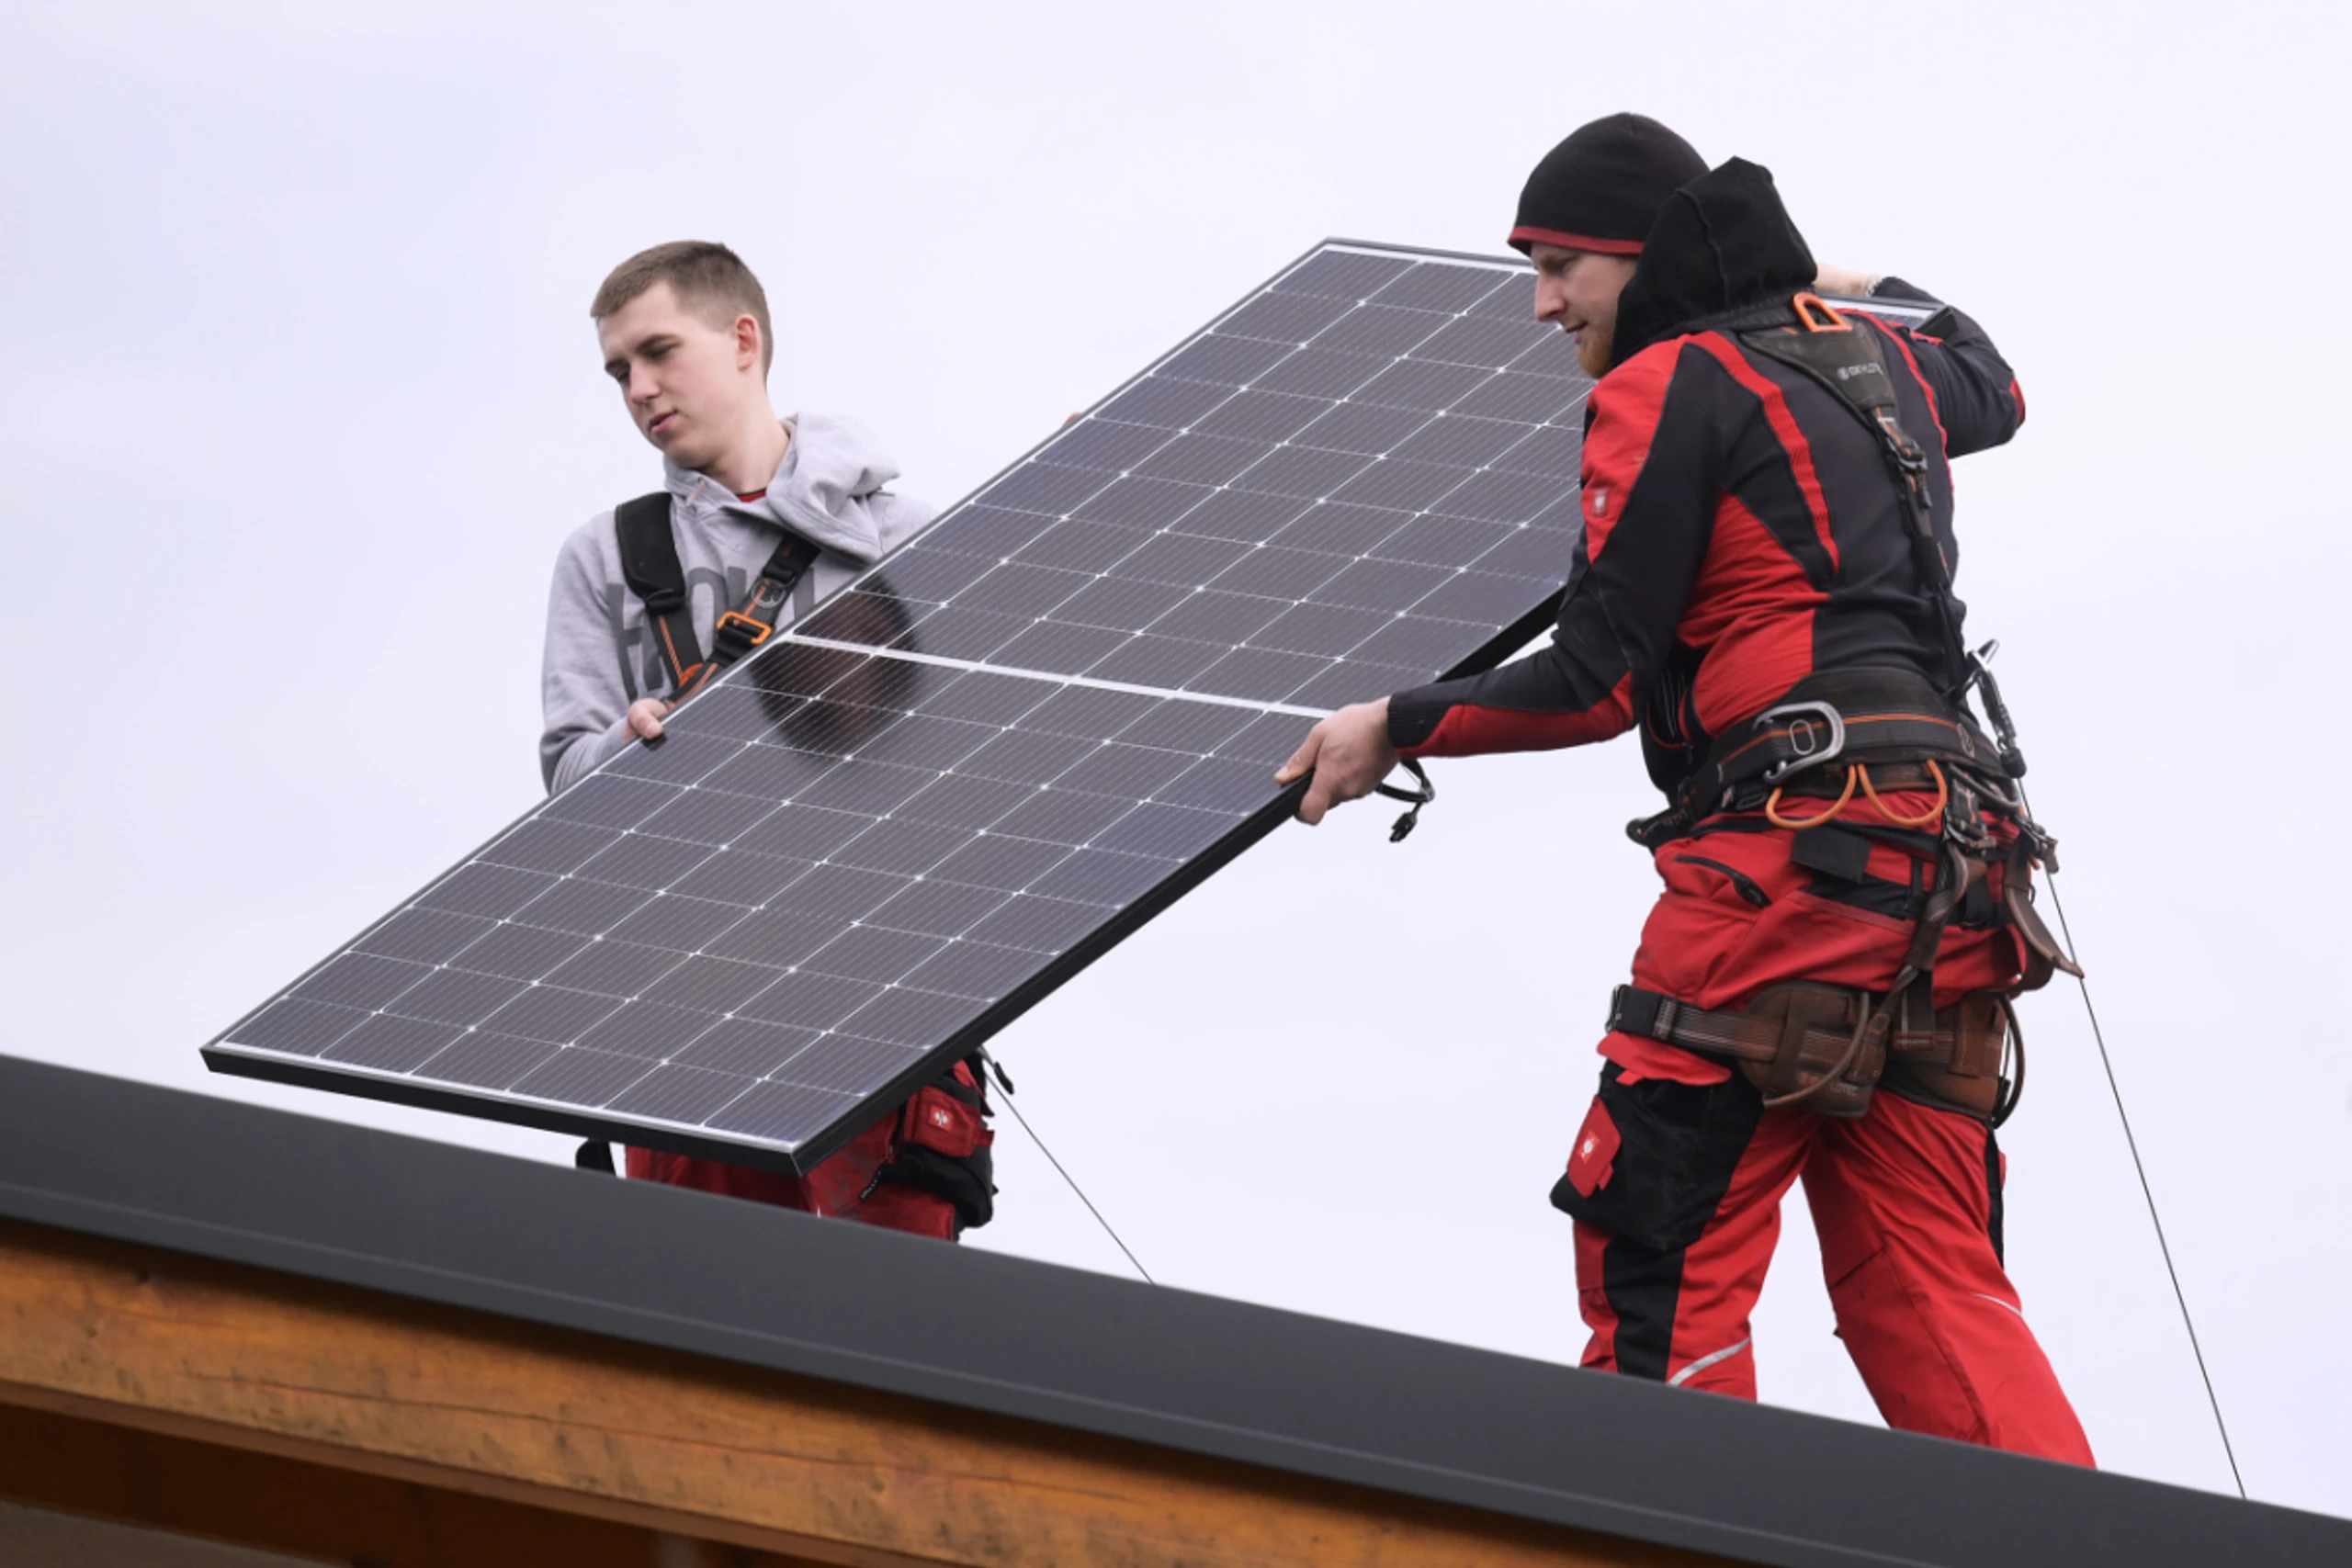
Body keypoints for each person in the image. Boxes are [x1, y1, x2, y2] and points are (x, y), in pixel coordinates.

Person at [1277, 115, 2093, 1462]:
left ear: (1640, 258)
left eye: (1559, 266)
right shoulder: (1880, 359)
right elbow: (1992, 377)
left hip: (1780, 880)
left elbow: (1598, 681)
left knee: (1655, 1256)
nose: (1540, 302)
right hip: (1948, 889)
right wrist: (1827, 278)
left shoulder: (1664, 385)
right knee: (1933, 1286)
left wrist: (1392, 723)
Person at [541, 240, 993, 1239]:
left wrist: (1060, 542)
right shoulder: (608, 556)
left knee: (889, 1369)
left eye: (659, 351)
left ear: (744, 340)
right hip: (688, 1017)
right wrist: (640, 748)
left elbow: (998, 761)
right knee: (715, 1349)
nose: (639, 388)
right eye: (619, 370)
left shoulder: (917, 537)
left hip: (888, 1014)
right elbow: (566, 782)